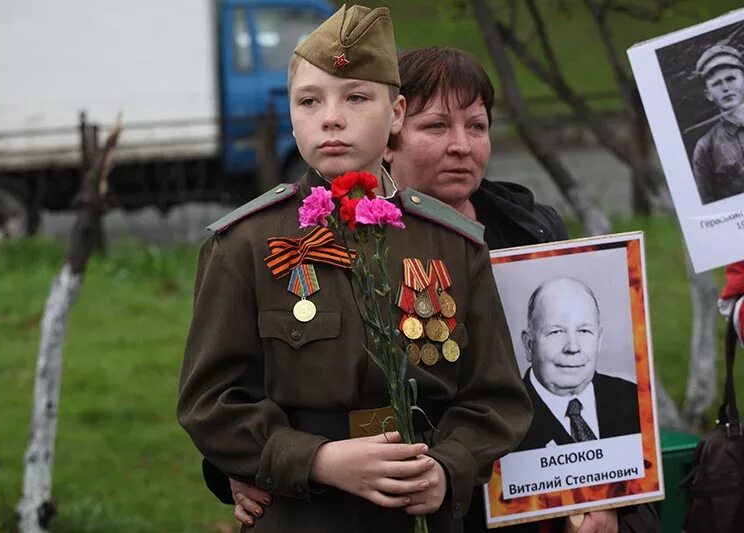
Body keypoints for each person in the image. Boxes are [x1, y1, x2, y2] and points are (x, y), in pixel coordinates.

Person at [177, 7, 532, 532]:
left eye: (357, 97)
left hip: (422, 507)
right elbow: (210, 402)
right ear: (292, 115)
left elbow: (496, 396)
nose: (332, 118)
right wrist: (315, 459)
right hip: (306, 511)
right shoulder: (245, 243)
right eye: (309, 101)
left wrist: (448, 466)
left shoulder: (450, 243)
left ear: (396, 114)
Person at [514, 278, 640, 452]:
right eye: (556, 332)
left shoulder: (634, 400)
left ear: (599, 340)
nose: (572, 347)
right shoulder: (505, 418)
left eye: (584, 331)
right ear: (529, 344)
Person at [691, 43, 744, 204]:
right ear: (708, 94)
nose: (726, 88)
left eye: (731, 79)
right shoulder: (705, 147)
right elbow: (708, 207)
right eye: (717, 83)